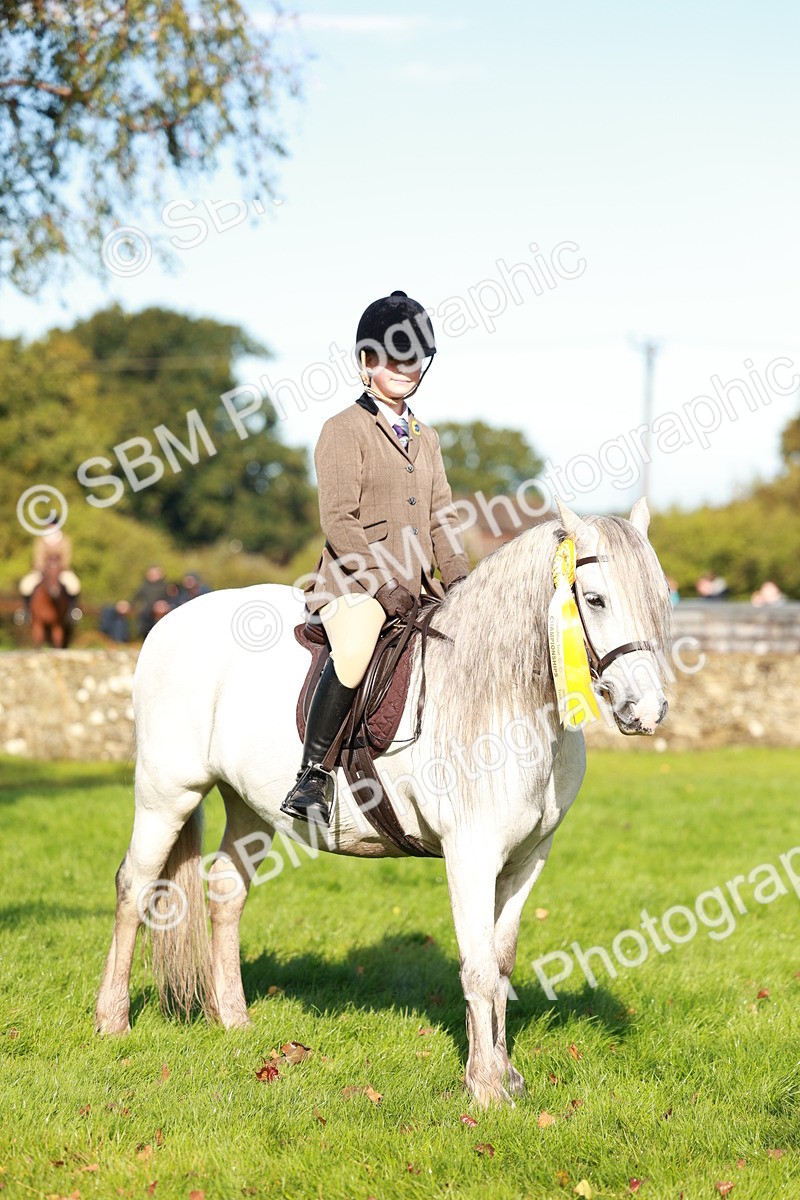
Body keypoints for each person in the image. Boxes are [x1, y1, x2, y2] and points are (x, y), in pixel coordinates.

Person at [281, 289, 469, 825]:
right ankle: (311, 775)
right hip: (355, 586)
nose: (405, 368)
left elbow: (441, 517)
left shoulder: (426, 437)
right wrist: (381, 584)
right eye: (393, 356)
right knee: (357, 651)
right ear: (366, 362)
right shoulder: (343, 430)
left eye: (414, 357)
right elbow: (339, 520)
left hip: (417, 585)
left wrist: (460, 582)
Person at [19, 522, 81, 613]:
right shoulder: (40, 540)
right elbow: (38, 556)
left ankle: (73, 611)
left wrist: (60, 568)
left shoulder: (65, 540)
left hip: (61, 570)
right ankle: (25, 611)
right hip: (42, 570)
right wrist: (42, 568)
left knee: (74, 585)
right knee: (25, 585)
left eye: (53, 524)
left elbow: (67, 557)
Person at [131, 565, 170, 638]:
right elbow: (135, 598)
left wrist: (164, 605)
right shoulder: (144, 586)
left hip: (163, 609)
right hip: (148, 610)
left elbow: (173, 598)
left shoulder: (166, 585)